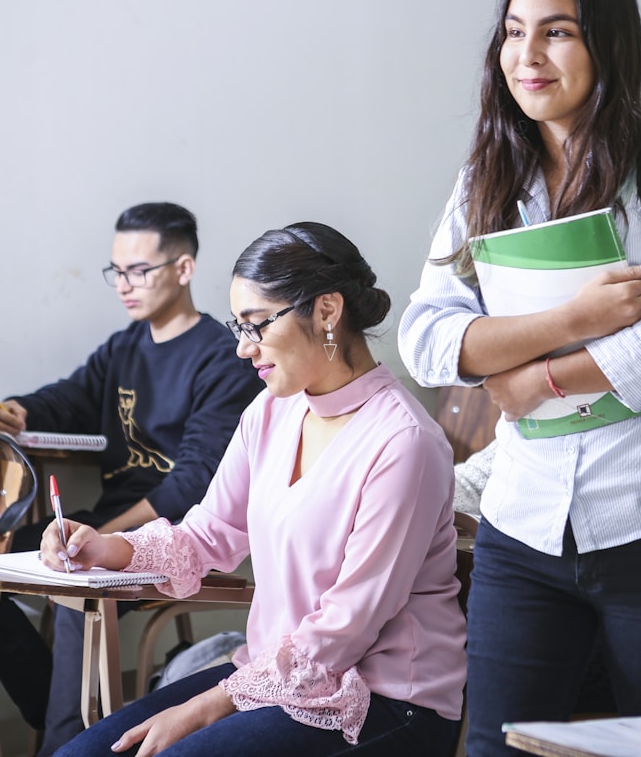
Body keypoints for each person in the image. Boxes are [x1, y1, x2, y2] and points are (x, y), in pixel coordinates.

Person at [397, 0, 641, 755]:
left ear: (607, 45)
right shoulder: (485, 175)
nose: (527, 56)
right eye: (514, 33)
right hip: (523, 527)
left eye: (557, 32)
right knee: (495, 747)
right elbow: (427, 337)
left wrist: (536, 379)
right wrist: (575, 320)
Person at [49, 222, 466, 757]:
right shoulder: (270, 410)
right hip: (274, 678)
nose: (245, 349)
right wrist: (106, 547)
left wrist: (205, 705)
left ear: (326, 310)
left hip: (384, 702)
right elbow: (209, 533)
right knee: (79, 755)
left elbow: (346, 626)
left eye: (256, 325)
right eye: (238, 327)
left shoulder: (404, 442)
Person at [0, 202, 263, 753]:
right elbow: (71, 397)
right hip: (110, 524)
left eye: (140, 271)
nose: (124, 286)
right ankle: (49, 709)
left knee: (75, 597)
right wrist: (20, 410)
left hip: (177, 536)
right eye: (117, 272)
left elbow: (192, 487)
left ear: (183, 268)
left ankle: (57, 744)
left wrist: (106, 538)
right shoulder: (124, 347)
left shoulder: (221, 358)